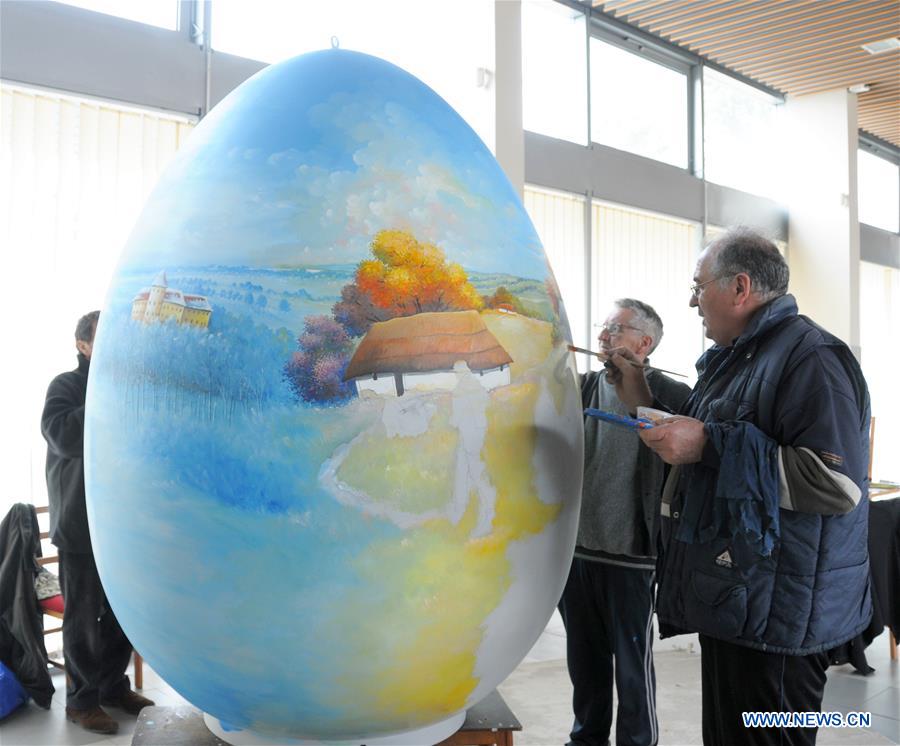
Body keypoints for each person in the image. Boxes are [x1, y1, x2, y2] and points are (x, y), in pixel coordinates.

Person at [612, 229, 871, 746]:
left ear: (740, 288)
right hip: (740, 600)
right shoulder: (740, 357)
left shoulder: (812, 359)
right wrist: (639, 393)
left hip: (780, 617)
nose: (691, 300)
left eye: (697, 285)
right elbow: (705, 438)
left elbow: (835, 484)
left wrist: (707, 443)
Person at [559, 299, 690, 746]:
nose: (603, 337)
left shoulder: (668, 393)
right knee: (585, 664)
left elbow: (693, 435)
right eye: (603, 327)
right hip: (577, 551)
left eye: (615, 329)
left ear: (644, 342)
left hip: (633, 556)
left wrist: (643, 394)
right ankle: (585, 739)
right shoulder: (580, 387)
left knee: (632, 669)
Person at [41, 311, 154, 735]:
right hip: (80, 527)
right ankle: (82, 702)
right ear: (82, 344)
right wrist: (105, 394)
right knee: (83, 619)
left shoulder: (125, 390)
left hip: (122, 526)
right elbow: (63, 437)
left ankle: (112, 687)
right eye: (101, 338)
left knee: (124, 613)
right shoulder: (66, 387)